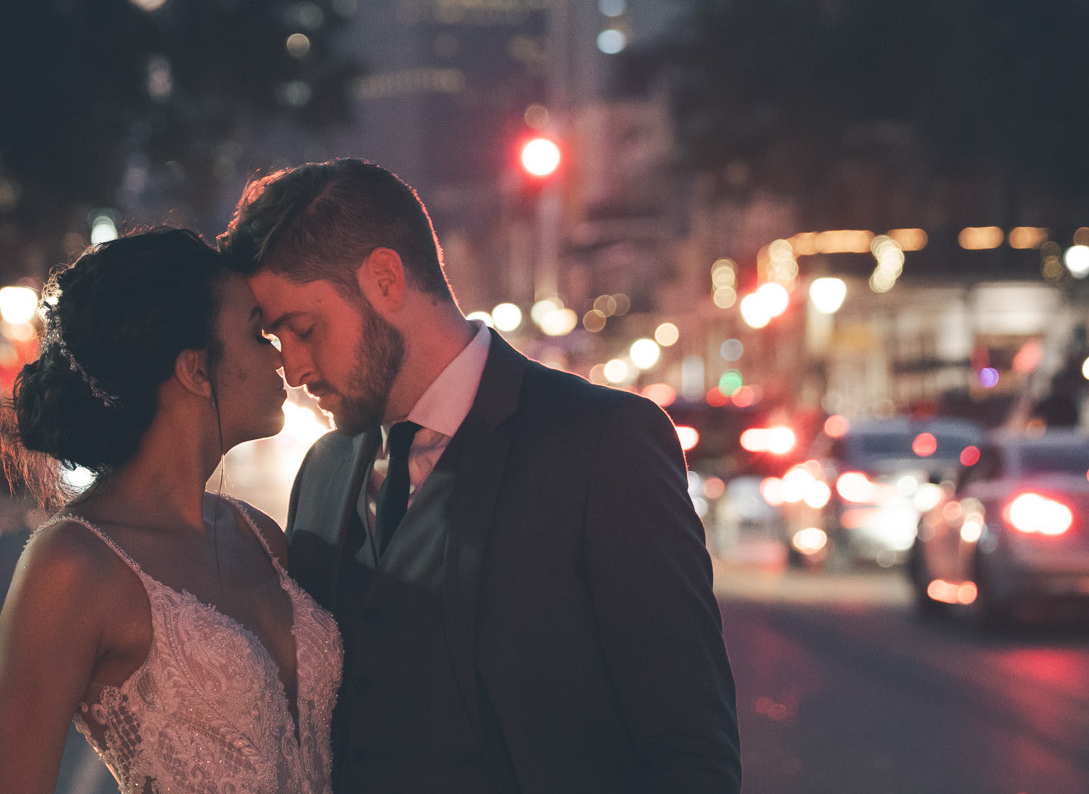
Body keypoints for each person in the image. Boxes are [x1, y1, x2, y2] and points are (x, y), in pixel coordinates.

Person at [220, 159, 741, 794]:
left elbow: (690, 748)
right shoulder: (325, 472)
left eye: (303, 330)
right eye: (278, 342)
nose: (294, 369)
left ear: (385, 278)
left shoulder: (603, 443)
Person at [0, 228, 342, 794]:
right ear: (196, 371)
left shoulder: (259, 535)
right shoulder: (73, 563)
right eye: (256, 334)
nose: (280, 355)